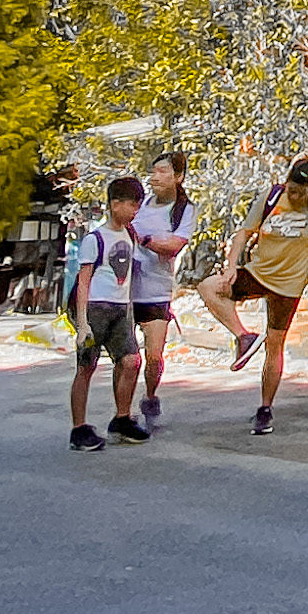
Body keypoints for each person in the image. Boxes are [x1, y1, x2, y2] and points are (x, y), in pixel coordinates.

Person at [197, 155, 308, 438]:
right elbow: (243, 234)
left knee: (275, 344)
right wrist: (232, 266)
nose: (295, 195)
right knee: (209, 287)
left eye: (301, 191)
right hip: (258, 272)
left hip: (290, 284)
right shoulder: (272, 197)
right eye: (292, 189)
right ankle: (243, 336)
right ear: (287, 181)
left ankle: (265, 408)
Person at [68, 177, 153, 452]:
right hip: (95, 309)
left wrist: (130, 311)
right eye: (130, 205)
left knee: (130, 361)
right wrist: (82, 324)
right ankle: (79, 428)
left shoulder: (129, 236)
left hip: (119, 310)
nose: (134, 212)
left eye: (137, 207)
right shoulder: (95, 239)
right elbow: (83, 282)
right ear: (115, 204)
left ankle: (122, 418)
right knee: (86, 367)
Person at [129, 152, 197, 426]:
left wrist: (143, 239)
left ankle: (150, 395)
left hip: (156, 290)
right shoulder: (139, 204)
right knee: (127, 357)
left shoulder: (183, 210)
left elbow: (173, 246)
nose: (154, 177)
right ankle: (123, 411)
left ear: (178, 177)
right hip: (125, 290)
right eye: (153, 171)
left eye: (162, 172)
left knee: (154, 356)